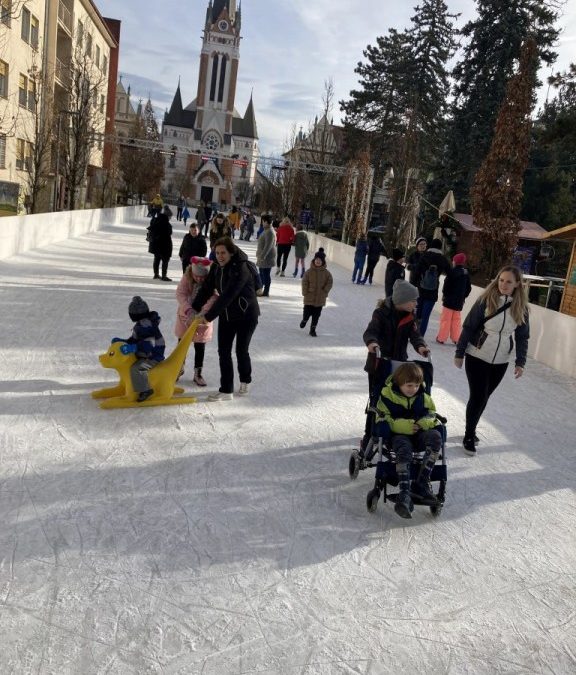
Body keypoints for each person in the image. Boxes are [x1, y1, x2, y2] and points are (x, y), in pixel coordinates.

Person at [454, 265, 530, 456]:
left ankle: (471, 426)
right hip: (477, 355)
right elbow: (469, 326)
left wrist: (520, 362)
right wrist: (460, 352)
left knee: (485, 396)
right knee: (478, 396)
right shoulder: (485, 300)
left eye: (509, 282)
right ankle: (469, 434)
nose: (503, 285)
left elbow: (522, 336)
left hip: (501, 360)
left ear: (517, 284)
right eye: (501, 280)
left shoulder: (521, 308)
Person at [361, 279, 430, 453]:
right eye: (413, 300)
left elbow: (415, 335)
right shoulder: (381, 313)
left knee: (398, 398)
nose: (416, 303)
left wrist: (421, 346)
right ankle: (369, 434)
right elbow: (371, 331)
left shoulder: (409, 316)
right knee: (377, 400)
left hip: (399, 365)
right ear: (402, 300)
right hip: (379, 363)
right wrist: (372, 343)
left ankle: (396, 429)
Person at [191, 237, 260, 401]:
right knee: (223, 352)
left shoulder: (240, 268)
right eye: (217, 253)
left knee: (241, 350)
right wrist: (194, 308)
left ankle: (245, 380)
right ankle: (226, 389)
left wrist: (207, 316)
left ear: (231, 252)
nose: (220, 256)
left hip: (246, 315)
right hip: (227, 315)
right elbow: (206, 289)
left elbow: (228, 295)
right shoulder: (216, 268)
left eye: (223, 253)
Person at [375, 362, 442, 518]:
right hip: (398, 435)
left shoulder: (424, 397)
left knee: (436, 437)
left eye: (417, 385)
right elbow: (382, 418)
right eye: (409, 385)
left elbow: (432, 414)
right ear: (399, 382)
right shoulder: (387, 395)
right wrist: (404, 426)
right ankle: (404, 493)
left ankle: (421, 483)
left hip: (419, 433)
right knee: (404, 448)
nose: (413, 389)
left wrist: (422, 423)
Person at [175, 256, 216, 386]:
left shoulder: (212, 280)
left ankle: (198, 372)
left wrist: (203, 312)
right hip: (185, 317)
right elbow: (180, 294)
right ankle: (178, 368)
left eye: (202, 277)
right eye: (196, 276)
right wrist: (188, 310)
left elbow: (214, 297)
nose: (199, 279)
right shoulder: (187, 277)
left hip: (202, 319)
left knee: (200, 346)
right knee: (182, 344)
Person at [115, 296, 166, 402]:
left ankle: (146, 390)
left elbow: (150, 344)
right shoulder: (141, 324)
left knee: (136, 368)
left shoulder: (148, 326)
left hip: (153, 356)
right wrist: (123, 342)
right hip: (144, 353)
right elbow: (135, 339)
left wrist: (134, 347)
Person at [413, 238, 452, 337]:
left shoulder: (424, 256)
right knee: (426, 316)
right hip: (433, 291)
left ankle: (413, 333)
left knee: (417, 314)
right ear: (440, 247)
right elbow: (450, 273)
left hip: (420, 290)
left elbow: (416, 272)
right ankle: (420, 336)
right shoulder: (442, 258)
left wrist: (413, 285)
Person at [436, 252, 472, 344]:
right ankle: (456, 338)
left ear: (455, 262)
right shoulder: (465, 274)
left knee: (446, 320)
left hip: (449, 301)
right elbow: (469, 288)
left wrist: (445, 294)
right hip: (459, 302)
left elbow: (446, 286)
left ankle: (441, 338)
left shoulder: (452, 272)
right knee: (456, 321)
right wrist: (463, 296)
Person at [300, 248, 333, 337]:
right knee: (307, 312)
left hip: (320, 298)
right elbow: (304, 282)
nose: (318, 261)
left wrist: (325, 290)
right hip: (309, 296)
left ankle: (312, 329)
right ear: (314, 260)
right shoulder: (309, 272)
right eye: (317, 260)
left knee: (316, 315)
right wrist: (305, 291)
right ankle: (304, 320)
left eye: (320, 260)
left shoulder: (327, 273)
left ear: (323, 262)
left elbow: (330, 282)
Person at [147, 205, 173, 281]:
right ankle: (164, 276)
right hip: (164, 245)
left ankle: (156, 274)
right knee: (165, 260)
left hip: (156, 245)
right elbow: (169, 233)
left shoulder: (156, 220)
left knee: (157, 259)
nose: (170, 218)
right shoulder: (166, 224)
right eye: (170, 217)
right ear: (167, 216)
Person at [256, 214, 277, 297]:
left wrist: (262, 256)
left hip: (266, 258)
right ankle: (260, 289)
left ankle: (266, 291)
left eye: (263, 221)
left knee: (265, 275)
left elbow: (268, 246)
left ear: (267, 222)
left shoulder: (270, 232)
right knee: (262, 274)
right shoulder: (267, 230)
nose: (262, 223)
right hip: (263, 257)